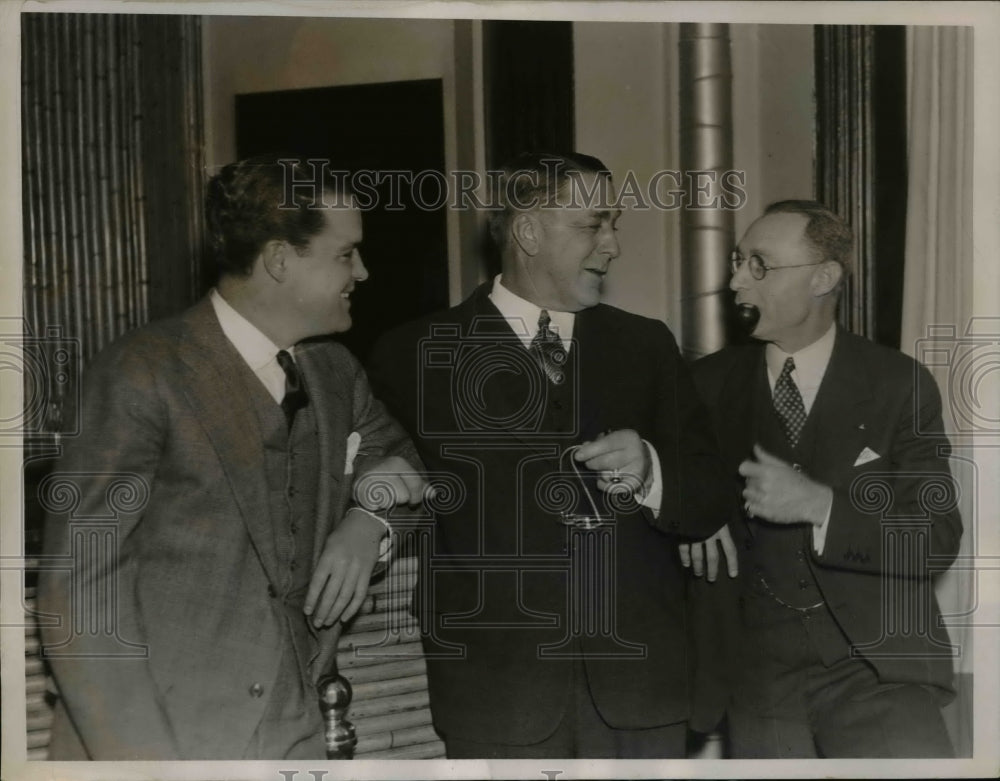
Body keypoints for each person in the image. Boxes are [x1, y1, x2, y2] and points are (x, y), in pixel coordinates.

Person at [38, 155, 425, 760]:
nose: (364, 272)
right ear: (278, 260)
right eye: (346, 254)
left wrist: (368, 520)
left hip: (296, 728)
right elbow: (79, 591)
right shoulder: (140, 371)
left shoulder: (334, 371)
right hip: (160, 738)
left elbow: (402, 467)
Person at [366, 152, 734, 758]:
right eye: (593, 225)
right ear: (528, 233)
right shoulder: (411, 354)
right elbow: (379, 480)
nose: (613, 244)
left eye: (614, 223)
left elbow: (709, 493)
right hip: (498, 694)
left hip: (641, 690)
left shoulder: (645, 345)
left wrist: (653, 474)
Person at [686, 200, 962, 757]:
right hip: (757, 680)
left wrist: (822, 507)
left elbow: (935, 540)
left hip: (879, 670)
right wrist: (686, 515)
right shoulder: (703, 385)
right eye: (739, 261)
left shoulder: (897, 384)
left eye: (759, 264)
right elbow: (669, 500)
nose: (736, 278)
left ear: (825, 277)